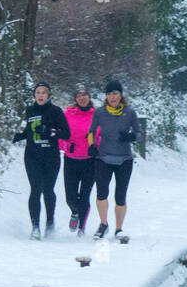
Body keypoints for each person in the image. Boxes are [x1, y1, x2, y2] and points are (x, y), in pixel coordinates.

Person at [11, 82, 70, 239]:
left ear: (49, 95)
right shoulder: (29, 111)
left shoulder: (56, 111)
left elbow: (66, 133)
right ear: (34, 95)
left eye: (44, 92)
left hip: (51, 156)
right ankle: (35, 227)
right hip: (32, 156)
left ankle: (50, 222)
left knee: (48, 190)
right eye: (38, 92)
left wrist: (50, 132)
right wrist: (19, 136)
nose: (41, 95)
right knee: (35, 189)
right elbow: (28, 130)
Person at [86, 79, 143, 239]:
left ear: (120, 95)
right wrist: (91, 146)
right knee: (101, 193)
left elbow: (140, 134)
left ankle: (119, 229)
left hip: (124, 159)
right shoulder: (100, 112)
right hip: (103, 158)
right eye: (109, 94)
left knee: (120, 195)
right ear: (106, 96)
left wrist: (131, 136)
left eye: (115, 93)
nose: (112, 97)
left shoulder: (129, 112)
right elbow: (91, 132)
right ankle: (103, 224)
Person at [59, 85, 97, 236]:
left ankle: (82, 227)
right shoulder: (67, 115)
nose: (82, 98)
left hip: (90, 161)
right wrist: (66, 145)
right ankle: (75, 212)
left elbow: (101, 135)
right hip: (71, 160)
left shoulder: (96, 115)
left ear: (89, 97)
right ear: (75, 99)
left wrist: (96, 146)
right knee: (71, 197)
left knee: (85, 195)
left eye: (85, 95)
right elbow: (61, 136)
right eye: (79, 96)